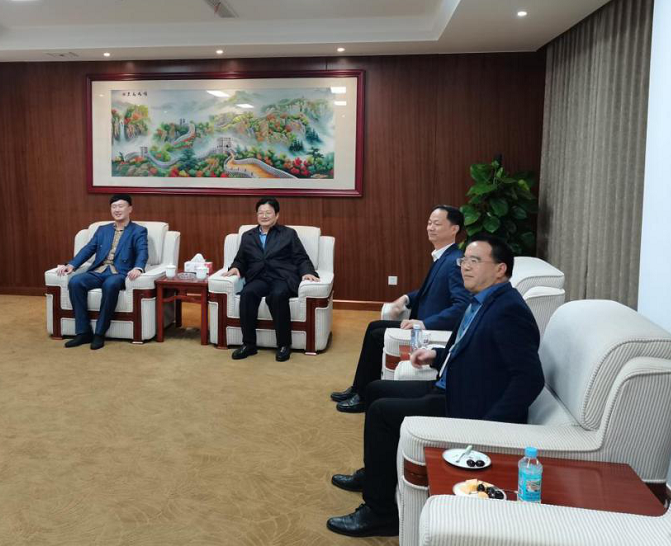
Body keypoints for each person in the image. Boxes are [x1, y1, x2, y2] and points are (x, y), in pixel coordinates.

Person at [327, 234, 545, 538]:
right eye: (464, 260)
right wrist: (435, 356)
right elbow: (471, 351)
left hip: (465, 405)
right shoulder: (482, 300)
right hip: (451, 386)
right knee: (375, 390)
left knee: (381, 413)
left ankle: (380, 513)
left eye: (475, 261)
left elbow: (530, 378)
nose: (465, 267)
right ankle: (376, 474)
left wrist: (489, 427)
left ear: (500, 269)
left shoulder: (509, 310)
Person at [331, 205, 470, 412]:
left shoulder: (454, 262)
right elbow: (430, 290)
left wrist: (424, 323)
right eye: (429, 223)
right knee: (374, 327)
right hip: (420, 323)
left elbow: (462, 306)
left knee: (377, 334)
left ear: (454, 229)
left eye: (437, 224)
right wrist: (405, 298)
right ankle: (359, 388)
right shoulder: (443, 256)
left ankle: (363, 397)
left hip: (430, 329)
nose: (430, 228)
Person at [226, 197, 319, 362]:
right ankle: (249, 344)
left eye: (268, 213)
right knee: (247, 294)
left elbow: (301, 258)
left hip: (281, 277)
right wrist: (235, 267)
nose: (264, 216)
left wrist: (307, 272)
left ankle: (283, 345)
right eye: (260, 213)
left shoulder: (288, 234)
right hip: (259, 277)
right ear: (256, 215)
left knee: (278, 295)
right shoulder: (248, 236)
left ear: (276, 215)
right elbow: (241, 259)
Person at [56, 194, 147, 350]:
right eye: (114, 207)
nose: (117, 210)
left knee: (110, 285)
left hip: (119, 273)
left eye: (121, 206)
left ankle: (99, 333)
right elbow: (88, 249)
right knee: (75, 282)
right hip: (98, 271)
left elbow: (142, 251)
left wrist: (138, 267)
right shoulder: (102, 230)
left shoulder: (138, 231)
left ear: (130, 209)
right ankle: (83, 332)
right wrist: (72, 265)